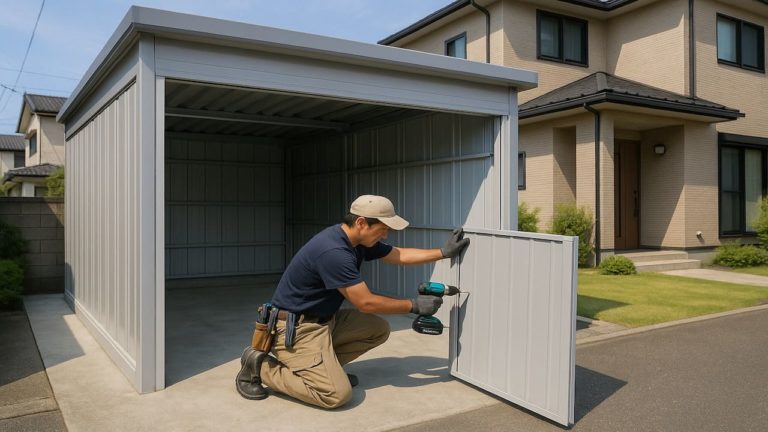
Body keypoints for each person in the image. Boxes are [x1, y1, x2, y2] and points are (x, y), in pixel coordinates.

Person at [235, 194, 469, 408]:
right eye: (383, 229)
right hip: (297, 329)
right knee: (335, 395)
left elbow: (398, 254)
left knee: (376, 329)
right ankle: (259, 366)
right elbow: (366, 303)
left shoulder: (356, 241)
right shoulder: (334, 252)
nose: (385, 235)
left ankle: (326, 368)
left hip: (324, 321)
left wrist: (442, 252)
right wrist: (413, 305)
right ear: (361, 223)